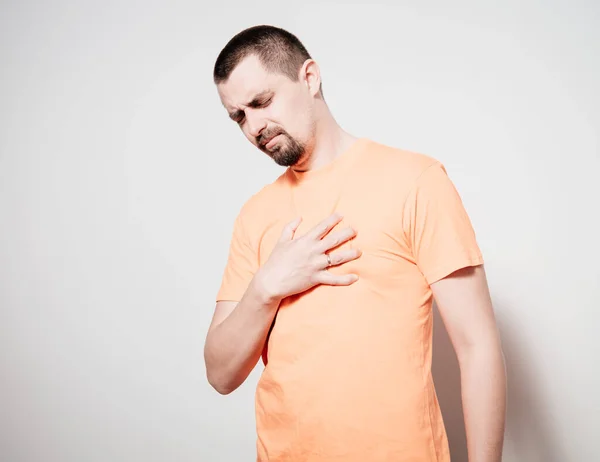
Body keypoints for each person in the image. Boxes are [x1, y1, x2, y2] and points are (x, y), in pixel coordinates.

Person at [204, 24, 506, 462]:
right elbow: (220, 373)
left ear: (309, 78)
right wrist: (267, 286)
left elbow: (478, 347)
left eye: (261, 102)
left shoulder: (415, 182)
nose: (254, 127)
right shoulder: (255, 215)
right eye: (239, 117)